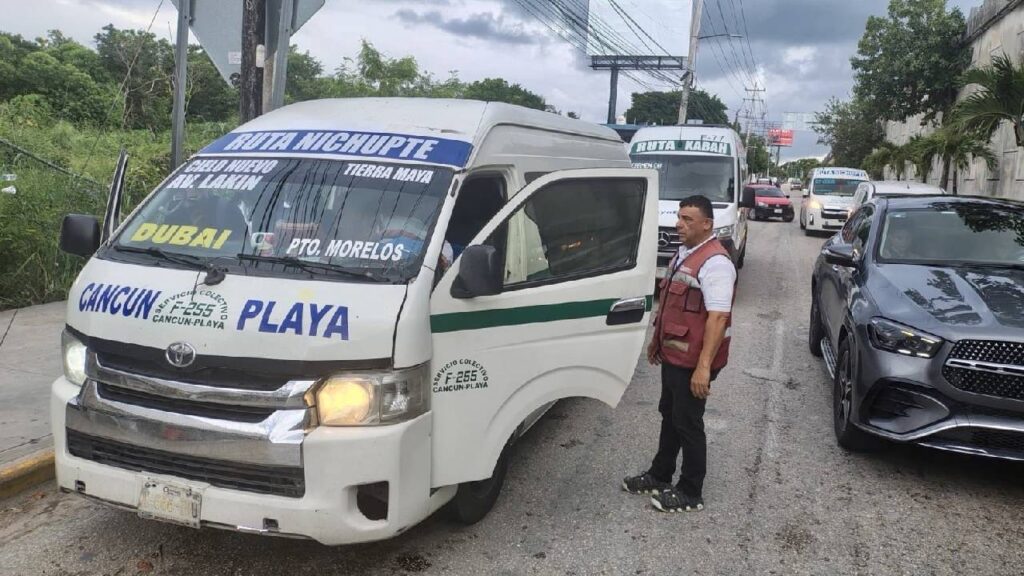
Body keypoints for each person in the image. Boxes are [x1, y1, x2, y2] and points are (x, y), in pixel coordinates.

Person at [622, 195, 737, 513]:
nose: (679, 224)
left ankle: (690, 490)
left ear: (707, 224)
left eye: (688, 219)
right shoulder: (685, 254)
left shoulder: (716, 263)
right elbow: (671, 305)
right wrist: (656, 342)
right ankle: (660, 474)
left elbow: (718, 318)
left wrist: (703, 368)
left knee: (687, 421)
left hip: (694, 360)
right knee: (670, 415)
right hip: (675, 355)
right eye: (679, 217)